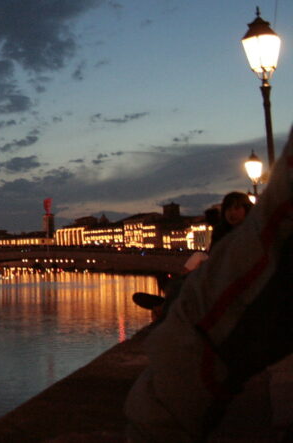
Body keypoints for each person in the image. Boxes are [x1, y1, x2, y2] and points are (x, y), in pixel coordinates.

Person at [125, 135, 293, 441]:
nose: (233, 214)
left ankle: (164, 306)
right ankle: (166, 303)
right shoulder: (236, 239)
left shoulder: (256, 242)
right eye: (229, 209)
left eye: (237, 208)